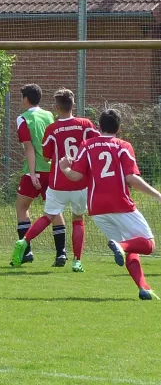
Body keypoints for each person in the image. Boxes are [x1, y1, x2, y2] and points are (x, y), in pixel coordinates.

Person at [60, 109, 160, 300]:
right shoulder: (123, 146)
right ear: (119, 128)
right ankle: (120, 246)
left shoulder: (87, 145)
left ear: (99, 127)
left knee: (130, 248)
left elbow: (77, 176)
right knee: (148, 245)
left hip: (97, 209)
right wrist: (158, 195)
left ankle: (143, 288)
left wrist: (64, 167)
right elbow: (131, 178)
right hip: (120, 204)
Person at [11, 88, 100, 270]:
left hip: (58, 182)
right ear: (73, 104)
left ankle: (25, 241)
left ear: (56, 106)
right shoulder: (85, 124)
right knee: (78, 219)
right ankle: (75, 260)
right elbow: (98, 143)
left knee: (47, 215)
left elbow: (46, 156)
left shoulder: (53, 128)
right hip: (79, 182)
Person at [11, 84, 66, 267]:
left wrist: (33, 173)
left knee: (22, 206)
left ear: (26, 99)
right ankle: (61, 254)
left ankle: (26, 251)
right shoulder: (49, 115)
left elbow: (29, 148)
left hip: (35, 171)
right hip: (53, 170)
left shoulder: (23, 118)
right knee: (55, 210)